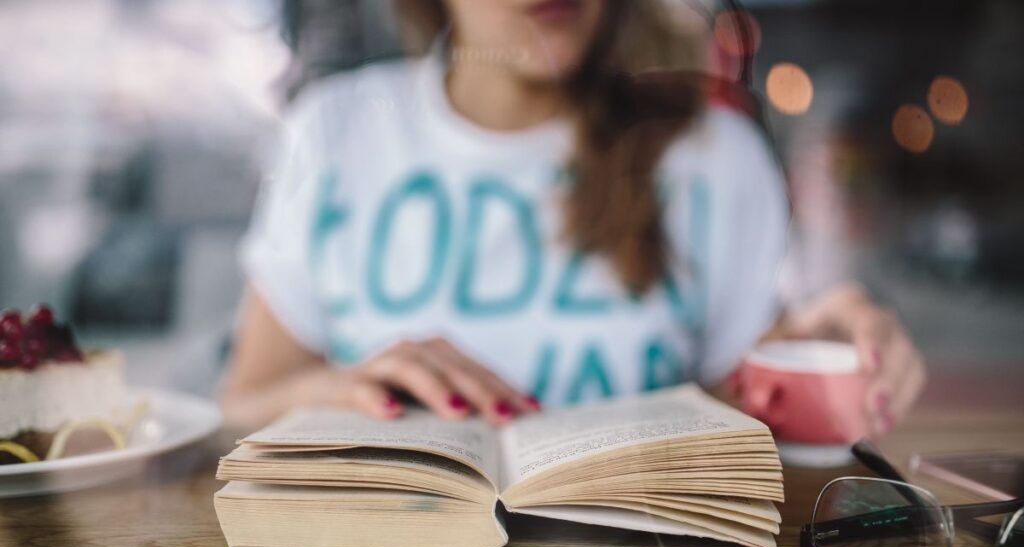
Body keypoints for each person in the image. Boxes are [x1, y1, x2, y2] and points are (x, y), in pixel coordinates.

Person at [220, 0, 925, 435]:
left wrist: (821, 355)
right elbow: (242, 405)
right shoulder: (335, 131)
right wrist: (329, 393)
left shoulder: (713, 153)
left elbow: (755, 414)